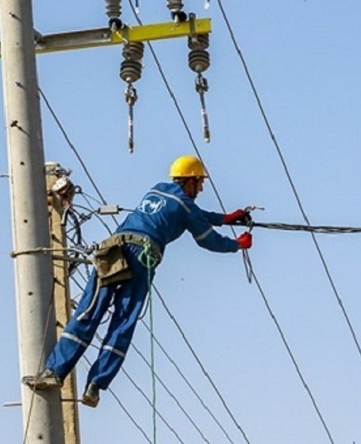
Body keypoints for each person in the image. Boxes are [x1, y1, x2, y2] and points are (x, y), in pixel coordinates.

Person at [23, 155, 253, 407]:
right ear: (191, 180)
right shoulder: (187, 206)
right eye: (199, 183)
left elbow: (192, 212)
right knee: (124, 319)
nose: (201, 188)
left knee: (88, 311)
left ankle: (53, 372)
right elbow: (207, 238)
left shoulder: (157, 190)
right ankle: (95, 385)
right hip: (143, 256)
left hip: (114, 249)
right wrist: (237, 245)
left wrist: (225, 218)